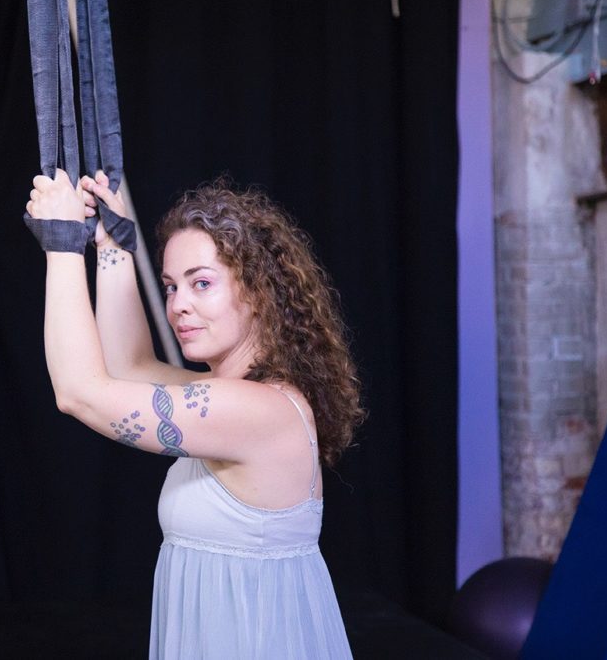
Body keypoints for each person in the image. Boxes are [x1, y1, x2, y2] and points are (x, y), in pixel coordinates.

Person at [25, 168, 362, 659]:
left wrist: (61, 244)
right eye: (170, 287)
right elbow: (130, 366)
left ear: (259, 291)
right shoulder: (231, 395)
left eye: (201, 284)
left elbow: (80, 393)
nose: (178, 305)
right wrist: (114, 247)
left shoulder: (259, 411)